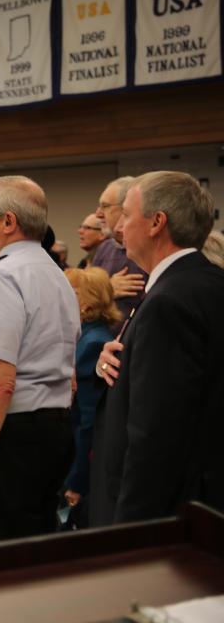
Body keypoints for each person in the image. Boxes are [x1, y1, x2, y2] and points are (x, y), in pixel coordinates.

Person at [0, 176, 80, 545]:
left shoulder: (2, 276)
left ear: (8, 222)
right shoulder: (57, 276)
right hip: (48, 429)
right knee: (28, 556)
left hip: (8, 438)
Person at [92, 172, 224, 524]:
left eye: (128, 215)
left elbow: (157, 432)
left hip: (170, 510)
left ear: (156, 223)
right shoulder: (203, 282)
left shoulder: (169, 301)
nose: (120, 227)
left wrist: (133, 527)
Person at [61, 267, 118, 518]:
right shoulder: (88, 335)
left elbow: (87, 420)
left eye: (72, 293)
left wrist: (77, 478)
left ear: (86, 302)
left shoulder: (94, 342)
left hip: (80, 457)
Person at [91, 177, 148, 321]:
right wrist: (108, 289)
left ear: (126, 208)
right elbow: (85, 296)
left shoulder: (146, 247)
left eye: (105, 206)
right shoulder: (104, 248)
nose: (98, 213)